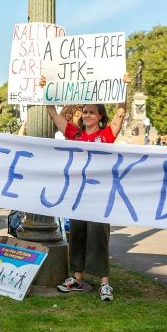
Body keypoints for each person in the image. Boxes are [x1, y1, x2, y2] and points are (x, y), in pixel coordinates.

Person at [39, 75, 128, 301]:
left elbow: (120, 113)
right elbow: (53, 114)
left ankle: (105, 283)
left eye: (92, 112)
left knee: (99, 236)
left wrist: (124, 89)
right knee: (77, 234)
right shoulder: (74, 134)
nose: (87, 115)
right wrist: (46, 90)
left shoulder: (106, 136)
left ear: (100, 116)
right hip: (78, 195)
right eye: (85, 111)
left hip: (99, 195)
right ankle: (77, 278)